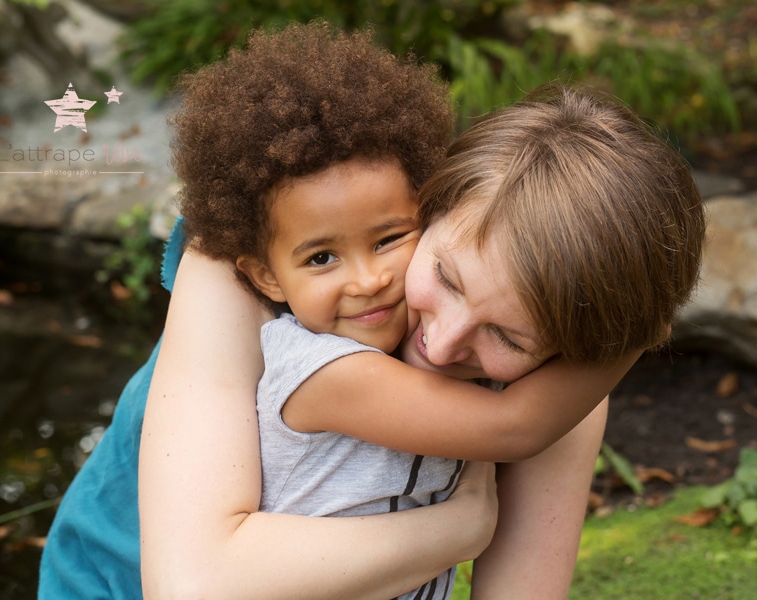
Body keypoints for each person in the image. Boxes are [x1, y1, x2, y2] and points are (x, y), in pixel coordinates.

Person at [41, 22, 705, 600]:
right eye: (444, 275)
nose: (442, 346)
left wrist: (633, 321)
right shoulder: (244, 262)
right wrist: (457, 530)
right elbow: (193, 586)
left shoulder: (564, 383)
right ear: (430, 198)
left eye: (509, 335)